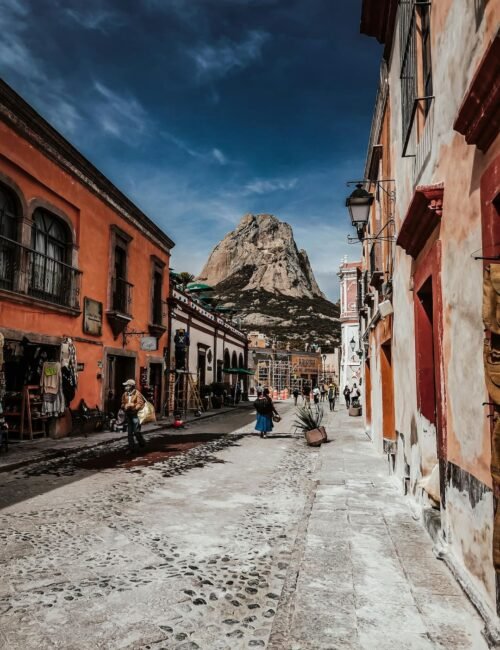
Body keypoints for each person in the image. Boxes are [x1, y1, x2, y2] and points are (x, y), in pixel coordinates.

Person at [121, 379, 146, 452]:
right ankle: (131, 448)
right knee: (129, 433)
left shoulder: (137, 393)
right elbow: (122, 403)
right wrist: (124, 406)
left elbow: (140, 403)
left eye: (127, 386)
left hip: (135, 415)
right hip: (128, 415)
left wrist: (133, 406)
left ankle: (142, 443)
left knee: (136, 432)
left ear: (131, 386)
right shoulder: (125, 394)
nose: (125, 387)